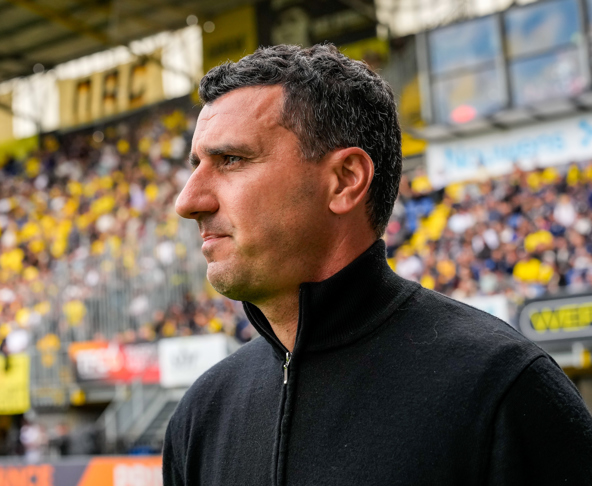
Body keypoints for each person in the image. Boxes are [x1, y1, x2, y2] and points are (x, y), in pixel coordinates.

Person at [163, 44, 592, 485]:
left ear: (345, 180)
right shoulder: (200, 418)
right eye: (197, 165)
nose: (187, 201)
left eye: (231, 160)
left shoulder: (503, 390)